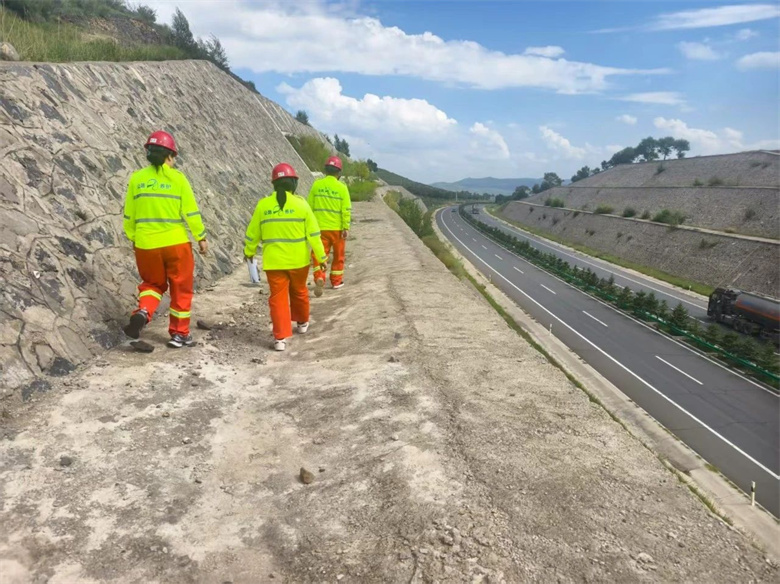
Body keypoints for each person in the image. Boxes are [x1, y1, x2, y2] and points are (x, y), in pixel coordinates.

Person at [122, 130, 208, 348]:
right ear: (170, 155)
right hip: (176, 244)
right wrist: (201, 237)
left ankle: (144, 311)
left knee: (152, 284)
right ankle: (179, 334)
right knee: (181, 287)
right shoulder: (178, 179)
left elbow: (129, 215)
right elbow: (191, 212)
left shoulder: (137, 179)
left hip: (145, 244)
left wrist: (135, 237)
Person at [244, 163, 327, 351]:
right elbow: (314, 235)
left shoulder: (263, 206)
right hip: (298, 261)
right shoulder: (302, 205)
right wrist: (321, 258)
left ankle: (280, 338)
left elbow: (252, 234)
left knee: (278, 298)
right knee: (299, 292)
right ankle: (302, 322)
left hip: (274, 263)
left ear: (274, 184)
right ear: (293, 183)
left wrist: (249, 251)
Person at [308, 156, 351, 294]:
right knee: (338, 256)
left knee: (319, 255)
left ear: (325, 170)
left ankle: (319, 277)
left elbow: (310, 208)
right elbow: (346, 210)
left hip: (319, 228)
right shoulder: (342, 188)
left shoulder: (317, 185)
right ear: (339, 173)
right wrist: (346, 227)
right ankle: (336, 281)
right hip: (337, 229)